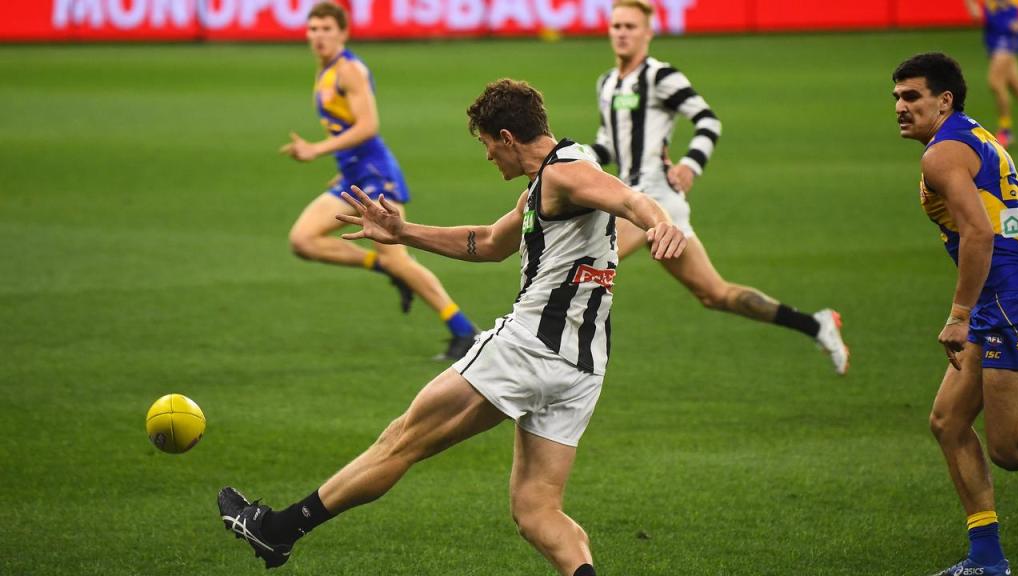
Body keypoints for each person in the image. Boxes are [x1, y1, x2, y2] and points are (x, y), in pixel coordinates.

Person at [217, 79, 686, 576]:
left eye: (487, 144)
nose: (488, 157)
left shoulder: (564, 174)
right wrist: (402, 232)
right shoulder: (550, 179)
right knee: (537, 512)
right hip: (581, 367)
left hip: (529, 347)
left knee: (401, 440)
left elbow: (630, 200)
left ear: (507, 137)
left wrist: (660, 223)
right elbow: (489, 242)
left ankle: (278, 530)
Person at [583, 0, 849, 374]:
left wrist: (691, 164)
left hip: (655, 199)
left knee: (586, 265)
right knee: (715, 294)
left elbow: (708, 120)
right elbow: (608, 145)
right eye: (617, 26)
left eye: (631, 26)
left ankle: (557, 356)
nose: (622, 33)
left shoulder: (660, 76)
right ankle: (815, 324)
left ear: (648, 33)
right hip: (636, 199)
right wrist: (579, 156)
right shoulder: (607, 83)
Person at [280, 1, 477, 360]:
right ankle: (385, 267)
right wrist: (343, 166)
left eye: (326, 29)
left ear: (343, 32)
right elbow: (345, 126)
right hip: (354, 174)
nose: (318, 36)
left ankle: (464, 331)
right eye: (313, 29)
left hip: (374, 175)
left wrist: (316, 149)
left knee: (399, 258)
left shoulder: (349, 70)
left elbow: (369, 127)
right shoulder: (326, 69)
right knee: (302, 240)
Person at [892, 52, 1018, 576]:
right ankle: (987, 559)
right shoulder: (975, 136)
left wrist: (959, 313)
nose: (900, 107)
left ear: (944, 100)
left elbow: (979, 233)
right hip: (1001, 294)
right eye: (896, 98)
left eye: (912, 97)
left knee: (1011, 449)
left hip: (1007, 299)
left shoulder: (942, 154)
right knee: (948, 421)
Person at [965, 0, 1018, 147]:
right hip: (995, 38)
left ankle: (1005, 129)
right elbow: (977, 15)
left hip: (1006, 38)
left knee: (995, 82)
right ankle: (1006, 130)